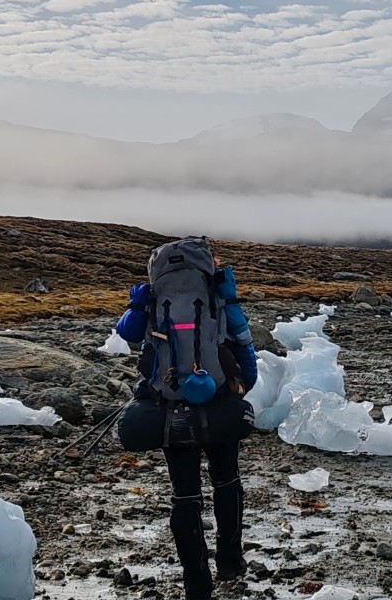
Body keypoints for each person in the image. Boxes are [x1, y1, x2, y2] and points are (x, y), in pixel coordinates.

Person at [114, 237, 259, 600]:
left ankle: (197, 583)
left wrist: (137, 304)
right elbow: (242, 341)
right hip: (218, 399)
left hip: (170, 407)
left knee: (185, 496)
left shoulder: (153, 299)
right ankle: (229, 561)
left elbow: (128, 336)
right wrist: (242, 385)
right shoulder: (218, 293)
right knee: (226, 481)